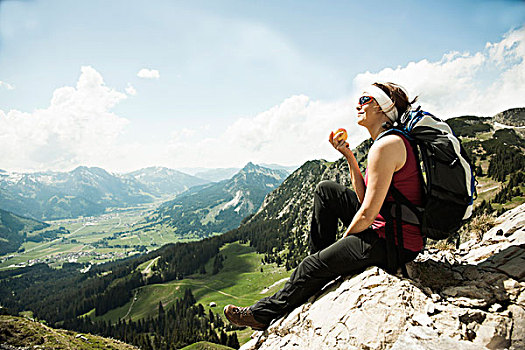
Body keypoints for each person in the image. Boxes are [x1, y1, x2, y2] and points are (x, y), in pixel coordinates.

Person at [224, 82, 424, 331]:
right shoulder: (385, 143)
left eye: (365, 100)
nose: (357, 105)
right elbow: (365, 199)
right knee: (326, 189)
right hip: (390, 225)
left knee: (311, 266)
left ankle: (262, 314)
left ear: (384, 107)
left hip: (395, 243)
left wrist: (345, 241)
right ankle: (319, 268)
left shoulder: (387, 146)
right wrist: (349, 156)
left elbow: (368, 212)